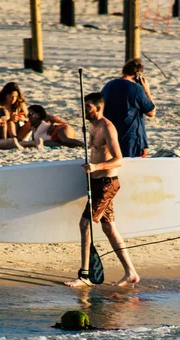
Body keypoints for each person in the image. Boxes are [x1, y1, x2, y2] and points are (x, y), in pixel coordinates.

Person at [65, 92, 140, 288]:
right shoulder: (92, 125)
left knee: (85, 224)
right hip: (96, 183)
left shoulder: (107, 127)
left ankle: (85, 276)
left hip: (106, 184)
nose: (84, 110)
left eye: (88, 107)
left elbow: (118, 159)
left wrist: (96, 167)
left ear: (98, 108)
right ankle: (131, 272)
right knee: (108, 228)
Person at [101, 58, 156, 158]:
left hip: (110, 134)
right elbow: (151, 112)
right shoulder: (136, 89)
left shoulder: (108, 86)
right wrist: (147, 90)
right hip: (131, 137)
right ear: (138, 75)